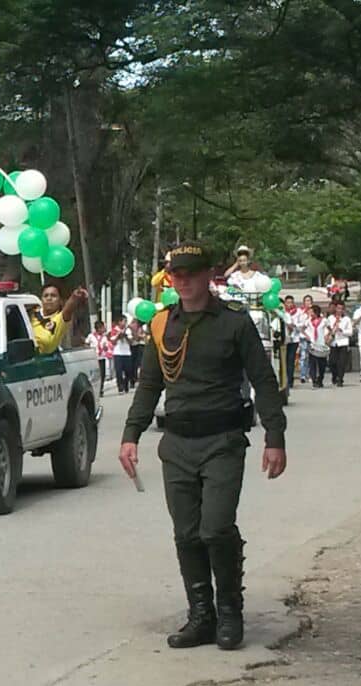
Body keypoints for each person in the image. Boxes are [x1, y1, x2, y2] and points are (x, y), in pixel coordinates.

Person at [120, 242, 287, 652]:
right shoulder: (162, 325)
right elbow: (149, 384)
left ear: (210, 276)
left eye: (192, 273)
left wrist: (274, 437)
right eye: (177, 275)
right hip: (176, 442)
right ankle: (201, 616)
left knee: (215, 527)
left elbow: (263, 380)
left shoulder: (234, 322)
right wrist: (130, 434)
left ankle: (230, 612)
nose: (184, 281)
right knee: (187, 532)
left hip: (223, 441)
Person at [30, 282, 89, 354]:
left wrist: (75, 296)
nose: (49, 298)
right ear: (41, 299)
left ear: (60, 301)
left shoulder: (59, 319)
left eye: (53, 296)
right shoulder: (30, 312)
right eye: (45, 296)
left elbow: (68, 309)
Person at [324, 300, 353, 387]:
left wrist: (342, 330)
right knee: (332, 362)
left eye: (341, 309)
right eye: (338, 308)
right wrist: (329, 334)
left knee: (342, 362)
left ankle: (340, 379)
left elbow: (350, 332)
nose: (339, 310)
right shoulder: (330, 318)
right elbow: (326, 329)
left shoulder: (346, 319)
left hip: (343, 342)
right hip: (333, 343)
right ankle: (334, 376)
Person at [304, 304, 329, 388]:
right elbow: (302, 328)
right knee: (312, 363)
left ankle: (320, 378)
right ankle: (314, 379)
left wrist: (327, 336)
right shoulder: (308, 321)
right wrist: (307, 336)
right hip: (312, 344)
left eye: (312, 312)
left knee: (322, 363)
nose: (310, 314)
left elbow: (330, 329)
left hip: (321, 344)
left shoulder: (324, 320)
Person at [86, 320, 112, 397]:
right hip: (94, 358)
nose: (104, 329)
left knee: (102, 375)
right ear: (98, 328)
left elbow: (106, 348)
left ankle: (101, 390)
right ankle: (94, 390)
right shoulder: (91, 336)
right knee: (94, 375)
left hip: (102, 357)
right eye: (103, 328)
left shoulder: (104, 337)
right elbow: (87, 343)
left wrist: (105, 348)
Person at [281, 295, 302, 389]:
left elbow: (301, 324)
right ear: (285, 303)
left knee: (290, 360)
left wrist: (293, 326)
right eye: (287, 302)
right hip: (284, 339)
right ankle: (284, 379)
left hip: (294, 339)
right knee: (284, 360)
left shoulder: (298, 312)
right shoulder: (282, 312)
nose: (289, 304)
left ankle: (290, 380)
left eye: (291, 302)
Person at [109, 315, 133, 393]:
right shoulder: (114, 330)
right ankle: (120, 387)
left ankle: (126, 384)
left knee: (128, 371)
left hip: (127, 353)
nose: (125, 323)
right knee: (118, 371)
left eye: (126, 321)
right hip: (118, 353)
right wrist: (118, 336)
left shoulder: (128, 330)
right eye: (123, 321)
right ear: (119, 322)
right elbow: (113, 342)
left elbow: (131, 342)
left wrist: (125, 336)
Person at [296, 295, 315, 384]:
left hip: (312, 338)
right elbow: (298, 324)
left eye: (309, 301)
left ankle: (311, 374)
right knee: (303, 356)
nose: (308, 302)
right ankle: (303, 375)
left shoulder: (315, 312)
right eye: (306, 301)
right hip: (303, 337)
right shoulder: (301, 312)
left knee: (312, 356)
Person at [129, 318, 147, 389]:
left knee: (141, 364)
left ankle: (139, 379)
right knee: (136, 364)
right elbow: (137, 337)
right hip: (138, 346)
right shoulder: (138, 328)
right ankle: (134, 379)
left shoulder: (144, 327)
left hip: (143, 345)